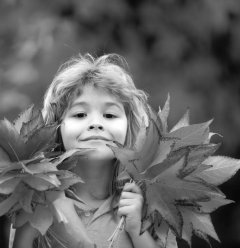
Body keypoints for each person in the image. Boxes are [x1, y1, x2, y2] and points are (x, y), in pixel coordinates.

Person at [14, 54, 158, 248]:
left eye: (109, 114)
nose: (96, 124)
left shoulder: (150, 203)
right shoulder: (37, 204)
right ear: (56, 127)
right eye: (80, 114)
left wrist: (137, 230)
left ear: (130, 126)